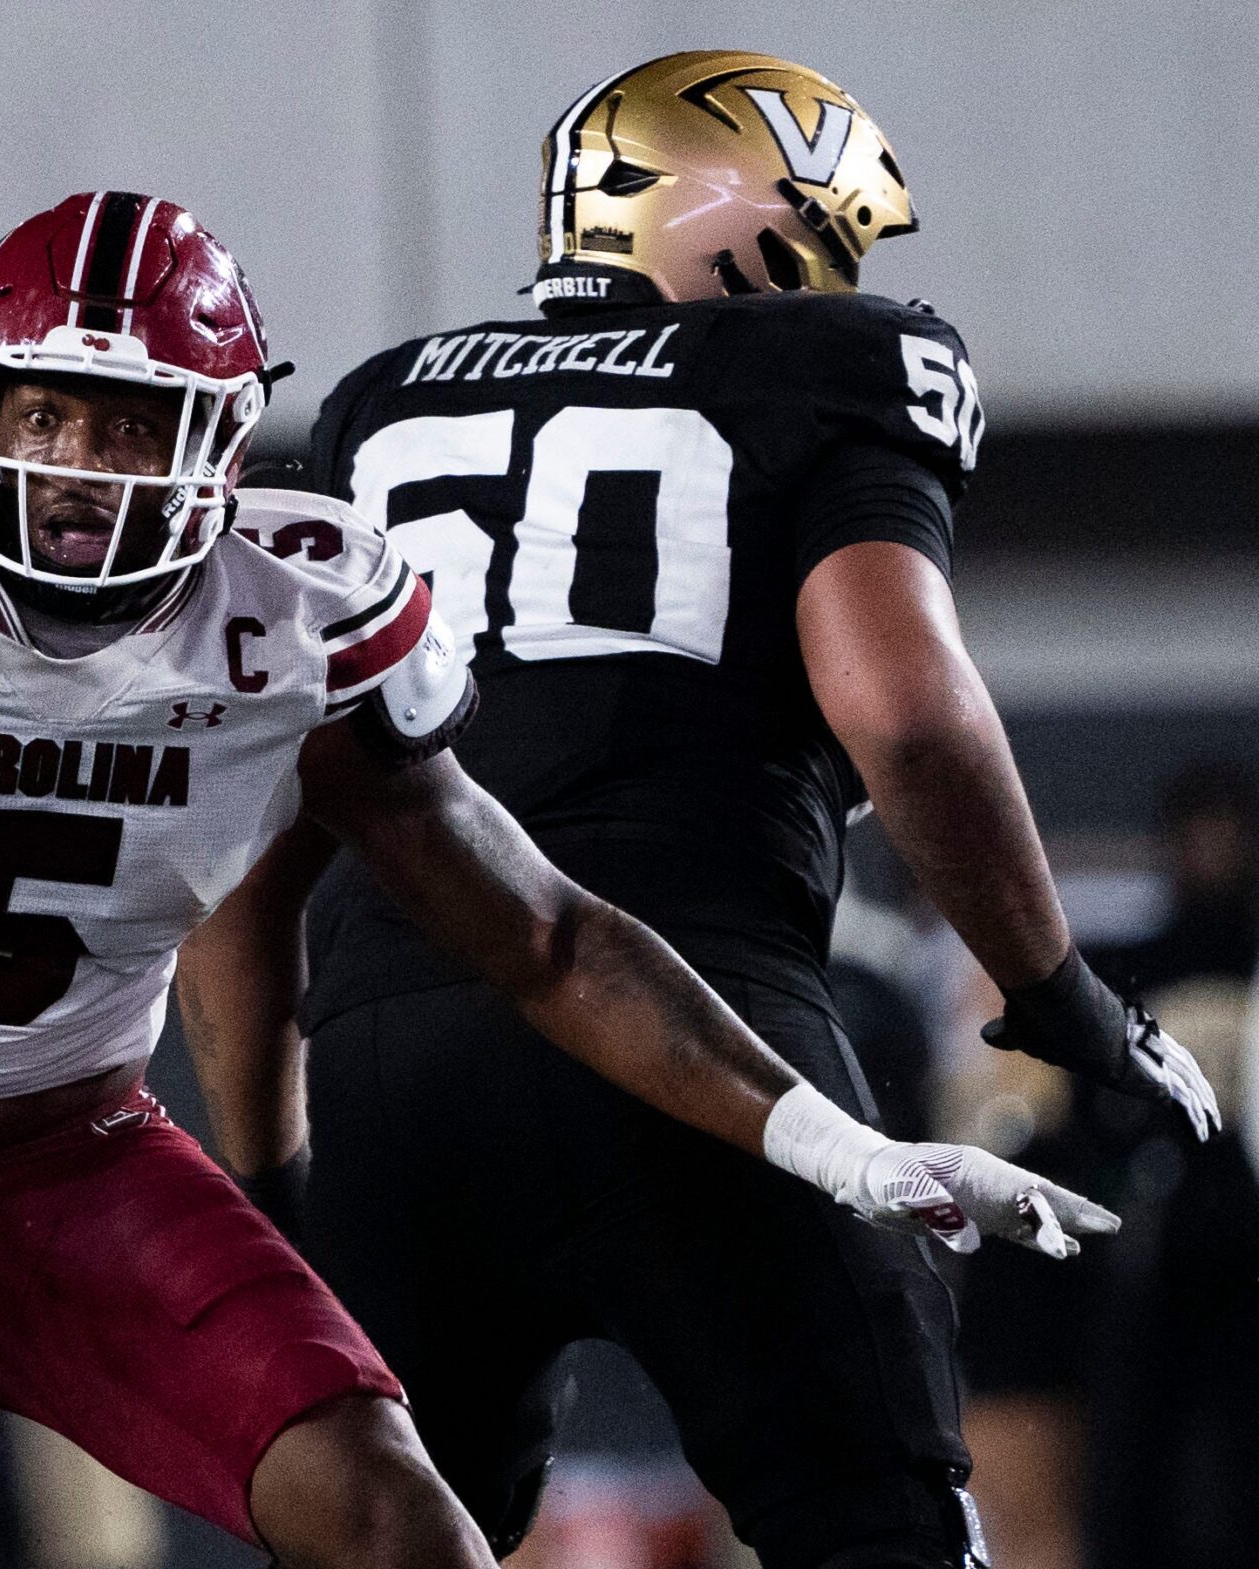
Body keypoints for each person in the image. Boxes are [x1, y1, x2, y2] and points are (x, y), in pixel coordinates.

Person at [0, 189, 1109, 1569]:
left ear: (224, 446)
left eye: (131, 421)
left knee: (400, 1519)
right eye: (47, 411)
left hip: (73, 1168)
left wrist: (836, 1138)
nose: (81, 466)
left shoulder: (293, 619)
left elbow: (539, 932)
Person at [189, 50, 1218, 1569]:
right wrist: (1056, 991)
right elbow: (909, 716)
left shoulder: (376, 410)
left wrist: (277, 1182)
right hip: (700, 1022)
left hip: (391, 1052)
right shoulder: (830, 362)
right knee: (877, 1525)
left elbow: (254, 846)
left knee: (394, 1540)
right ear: (751, 219)